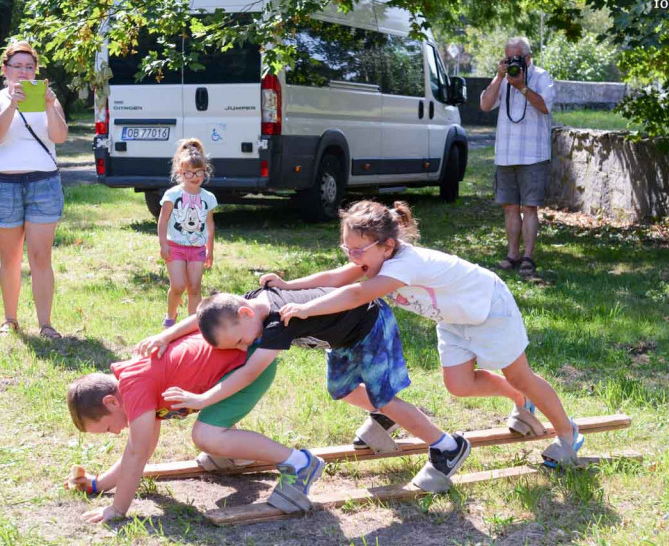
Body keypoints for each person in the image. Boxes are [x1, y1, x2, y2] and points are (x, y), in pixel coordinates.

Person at [268, 200, 584, 468]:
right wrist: (289, 287)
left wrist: (307, 310)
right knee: (459, 385)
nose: (352, 258)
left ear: (387, 245)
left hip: (489, 308)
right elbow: (336, 277)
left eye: (357, 251)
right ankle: (519, 399)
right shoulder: (373, 259)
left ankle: (568, 434)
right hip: (454, 318)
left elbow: (354, 296)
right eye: (346, 249)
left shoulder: (405, 264)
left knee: (520, 375)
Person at [135, 283, 473, 493]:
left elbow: (248, 374)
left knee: (384, 398)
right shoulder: (250, 306)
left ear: (245, 313)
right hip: (343, 338)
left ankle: (447, 446)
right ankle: (384, 419)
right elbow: (205, 313)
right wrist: (165, 335)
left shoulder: (276, 324)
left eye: (239, 341)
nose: (241, 349)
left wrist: (202, 399)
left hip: (371, 325)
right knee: (341, 390)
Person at [65, 333, 324, 518]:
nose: (117, 432)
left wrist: (117, 510)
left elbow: (136, 452)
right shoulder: (133, 387)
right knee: (208, 434)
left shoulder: (135, 389)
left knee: (206, 435)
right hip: (237, 364)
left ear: (111, 402)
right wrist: (98, 485)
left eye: (109, 428)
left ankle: (300, 463)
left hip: (250, 367)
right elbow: (142, 451)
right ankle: (231, 455)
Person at [0, 40, 68, 338]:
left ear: (36, 71)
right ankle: (10, 319)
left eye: (30, 67)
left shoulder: (48, 100)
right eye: (17, 66)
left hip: (43, 183)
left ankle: (46, 324)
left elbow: (60, 136)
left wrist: (49, 105)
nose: (23, 71)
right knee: (11, 257)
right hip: (4, 185)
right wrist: (13, 104)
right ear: (5, 69)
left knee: (41, 257)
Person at [479, 36, 556, 275]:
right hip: (506, 154)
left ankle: (528, 258)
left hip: (533, 154)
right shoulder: (501, 79)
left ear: (528, 58)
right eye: (508, 57)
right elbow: (484, 105)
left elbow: (544, 106)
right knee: (510, 208)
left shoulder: (542, 77)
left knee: (530, 207)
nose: (512, 62)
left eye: (516, 58)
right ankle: (512, 255)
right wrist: (500, 76)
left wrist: (522, 86)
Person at [158, 139, 217, 328]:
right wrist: (163, 244)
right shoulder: (172, 195)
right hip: (175, 247)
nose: (195, 176)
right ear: (180, 172)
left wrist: (210, 250)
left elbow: (210, 225)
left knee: (194, 287)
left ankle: (192, 326)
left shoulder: (208, 198)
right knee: (178, 286)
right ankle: (170, 317)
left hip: (197, 249)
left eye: (199, 172)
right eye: (189, 173)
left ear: (204, 172)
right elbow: (163, 220)